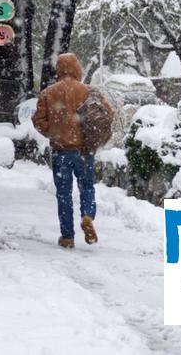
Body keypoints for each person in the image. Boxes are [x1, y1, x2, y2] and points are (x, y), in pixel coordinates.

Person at [32, 53, 110, 248]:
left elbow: (38, 121)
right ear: (77, 69)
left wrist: (54, 132)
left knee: (64, 194)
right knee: (86, 186)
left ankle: (67, 236)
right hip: (84, 151)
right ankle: (87, 215)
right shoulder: (89, 92)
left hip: (61, 151)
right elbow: (108, 113)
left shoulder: (49, 93)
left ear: (59, 69)